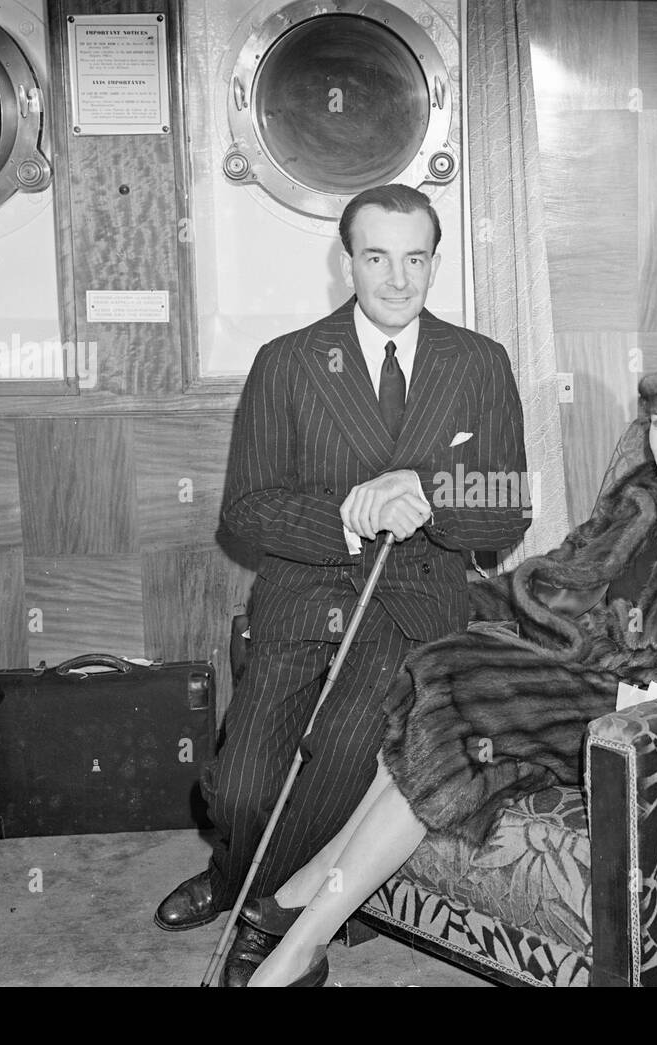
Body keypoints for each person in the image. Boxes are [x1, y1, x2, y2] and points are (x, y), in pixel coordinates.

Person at [245, 351, 657, 986]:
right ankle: (314, 910)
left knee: (459, 687)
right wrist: (453, 602)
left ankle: (303, 934)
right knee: (437, 668)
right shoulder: (640, 497)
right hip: (585, 675)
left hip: (654, 717)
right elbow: (554, 579)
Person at [153, 184, 529, 986]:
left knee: (343, 757)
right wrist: (351, 515)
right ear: (346, 261)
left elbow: (508, 505)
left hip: (419, 605)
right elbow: (247, 509)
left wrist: (425, 493)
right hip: (305, 594)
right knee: (242, 788)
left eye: (416, 259)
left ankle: (268, 925)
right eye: (377, 257)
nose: (398, 279)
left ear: (435, 261)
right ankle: (235, 870)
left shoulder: (480, 361)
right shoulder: (287, 362)